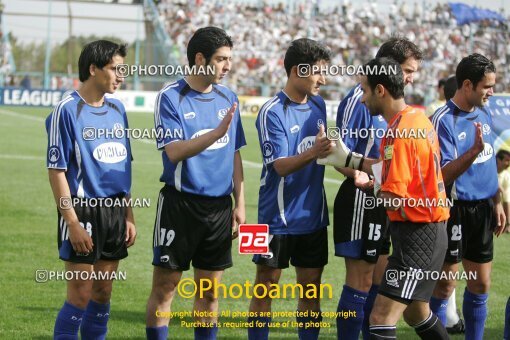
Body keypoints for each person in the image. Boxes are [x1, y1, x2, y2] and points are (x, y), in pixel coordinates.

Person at [319, 57, 450, 339]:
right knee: (417, 313)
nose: (362, 98)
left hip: (418, 237)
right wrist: (351, 160)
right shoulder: (415, 119)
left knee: (380, 317)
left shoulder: (398, 132)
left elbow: (394, 197)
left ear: (380, 90)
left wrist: (372, 187)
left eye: (365, 90)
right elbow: (396, 172)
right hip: (426, 233)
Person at [145, 26, 246, 340]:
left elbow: (235, 154)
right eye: (221, 59)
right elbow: (174, 152)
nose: (227, 66)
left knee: (210, 294)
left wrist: (240, 203)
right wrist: (214, 133)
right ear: (200, 58)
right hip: (180, 205)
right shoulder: (171, 96)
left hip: (219, 209)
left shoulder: (228, 97)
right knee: (165, 288)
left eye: (229, 58)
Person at [46, 40, 136, 340]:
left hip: (114, 211)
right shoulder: (66, 109)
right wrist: (71, 222)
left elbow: (123, 165)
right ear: (93, 69)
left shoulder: (117, 108)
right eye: (115, 68)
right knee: (80, 293)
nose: (121, 75)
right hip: (81, 210)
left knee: (103, 291)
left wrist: (129, 214)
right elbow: (56, 171)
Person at [333, 37, 423, 340]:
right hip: (360, 198)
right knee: (359, 281)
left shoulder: (398, 108)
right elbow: (338, 156)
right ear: (391, 66)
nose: (411, 78)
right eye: (408, 70)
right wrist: (368, 176)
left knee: (379, 280)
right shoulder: (360, 99)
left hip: (384, 199)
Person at [247, 38, 333, 340]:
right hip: (270, 218)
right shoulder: (270, 111)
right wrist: (315, 151)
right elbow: (280, 166)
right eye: (319, 72)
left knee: (311, 293)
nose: (323, 79)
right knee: (263, 290)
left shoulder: (319, 105)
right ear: (298, 70)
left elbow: (325, 151)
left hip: (314, 216)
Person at [430, 53, 506, 340]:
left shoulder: (484, 112)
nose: (491, 92)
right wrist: (471, 151)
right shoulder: (442, 120)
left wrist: (497, 200)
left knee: (481, 285)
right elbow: (443, 175)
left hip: (484, 209)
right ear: (466, 85)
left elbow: (488, 163)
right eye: (486, 86)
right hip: (454, 211)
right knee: (444, 287)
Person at [430, 73, 465, 335]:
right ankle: (445, 319)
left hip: (461, 204)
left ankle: (449, 317)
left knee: (451, 270)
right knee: (443, 272)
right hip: (443, 204)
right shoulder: (439, 117)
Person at [496, 149, 510, 233]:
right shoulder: (486, 170)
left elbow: (506, 200)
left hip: (496, 210)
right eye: (506, 161)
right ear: (498, 159)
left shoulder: (507, 177)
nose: (508, 164)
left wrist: (508, 223)